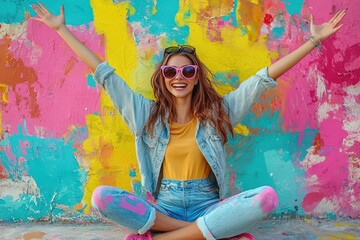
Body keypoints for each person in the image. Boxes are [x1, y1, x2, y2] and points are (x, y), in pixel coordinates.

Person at [31, 3, 345, 240]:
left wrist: (313, 41)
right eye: (170, 72)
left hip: (207, 205)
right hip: (163, 209)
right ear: (162, 78)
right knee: (102, 198)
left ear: (196, 78)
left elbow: (262, 80)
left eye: (187, 71)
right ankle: (207, 234)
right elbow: (104, 74)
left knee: (267, 197)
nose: (178, 77)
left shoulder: (219, 112)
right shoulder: (145, 114)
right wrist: (61, 29)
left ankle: (170, 237)